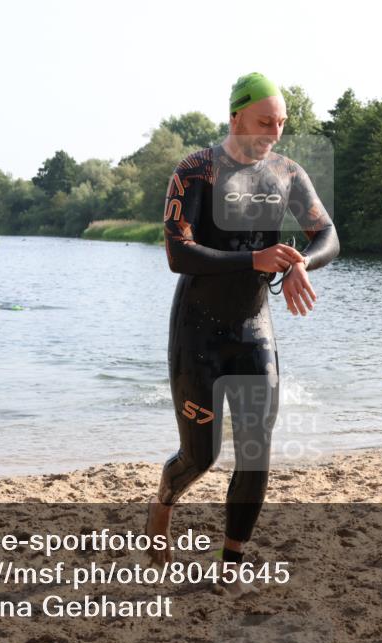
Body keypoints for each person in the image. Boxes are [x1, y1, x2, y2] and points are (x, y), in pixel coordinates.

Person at [145, 73, 339, 591]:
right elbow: (177, 253)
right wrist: (253, 257)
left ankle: (231, 563)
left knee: (256, 449)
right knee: (199, 457)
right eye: (263, 122)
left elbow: (328, 235)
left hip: (254, 328)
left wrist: (301, 263)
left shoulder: (287, 173)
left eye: (281, 124)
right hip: (197, 333)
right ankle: (164, 501)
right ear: (236, 118)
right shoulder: (196, 170)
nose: (273, 133)